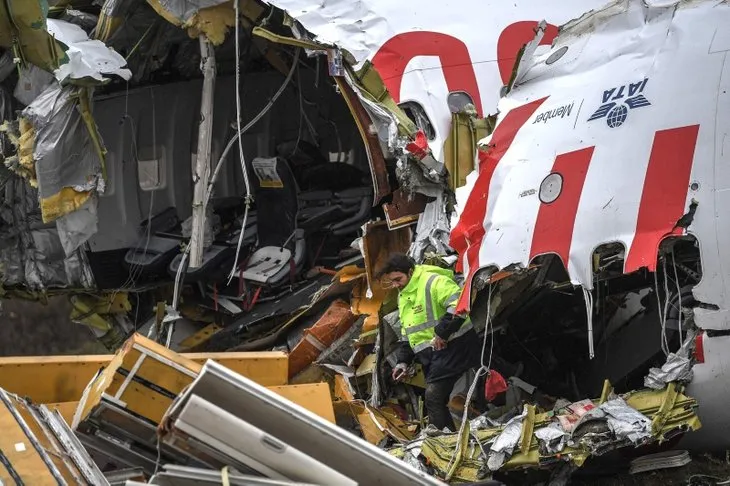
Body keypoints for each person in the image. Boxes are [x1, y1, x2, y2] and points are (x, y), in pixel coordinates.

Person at [377, 253, 480, 431]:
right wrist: (403, 362)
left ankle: (441, 442)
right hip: (433, 355)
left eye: (398, 279)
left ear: (410, 272)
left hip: (454, 346)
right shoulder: (403, 295)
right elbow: (407, 334)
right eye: (391, 282)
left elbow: (460, 305)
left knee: (433, 398)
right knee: (436, 399)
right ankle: (449, 438)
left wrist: (442, 334)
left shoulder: (433, 281)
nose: (395, 285)